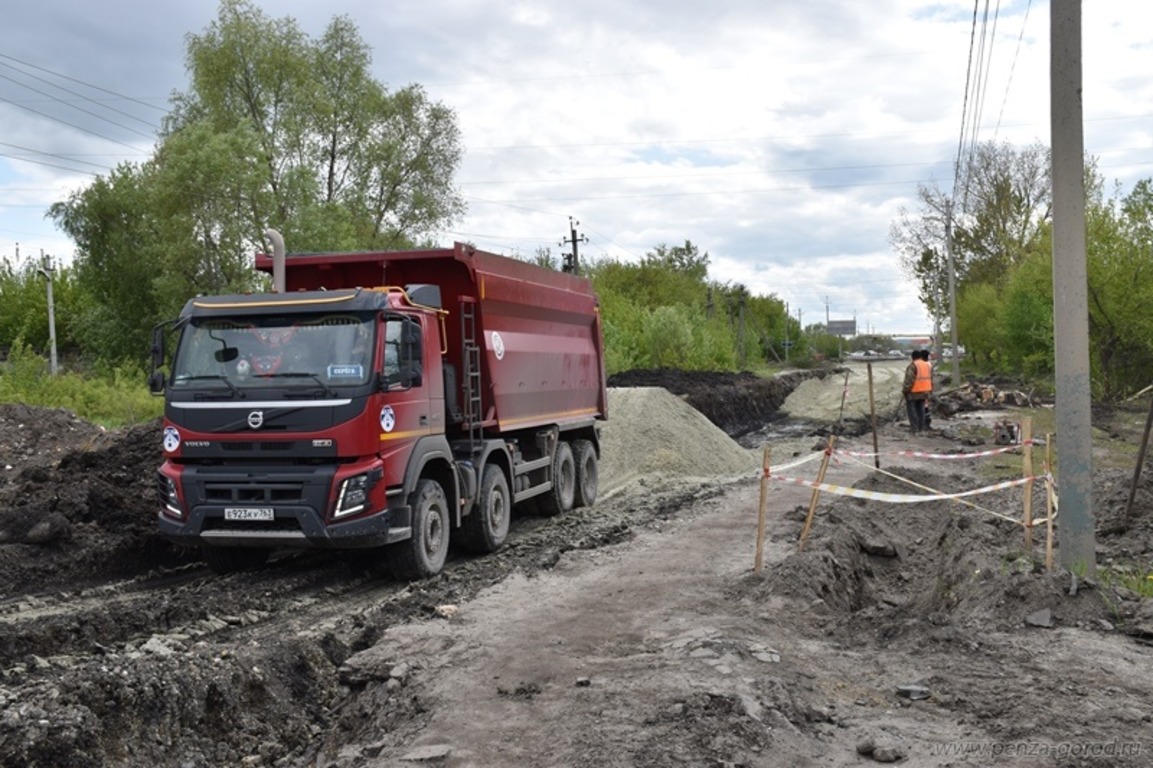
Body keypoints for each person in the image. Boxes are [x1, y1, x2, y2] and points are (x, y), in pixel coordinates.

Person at [902, 349, 933, 434]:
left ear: (913, 357)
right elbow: (931, 378)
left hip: (914, 392)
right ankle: (921, 428)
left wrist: (905, 391)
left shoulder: (913, 365)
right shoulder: (927, 365)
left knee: (912, 411)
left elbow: (909, 380)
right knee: (921, 410)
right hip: (925, 391)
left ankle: (914, 429)